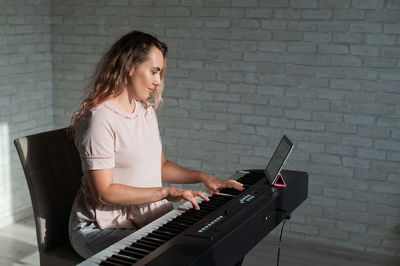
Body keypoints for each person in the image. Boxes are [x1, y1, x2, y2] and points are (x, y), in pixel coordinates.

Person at [68, 30, 244, 259]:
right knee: (173, 258)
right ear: (130, 66)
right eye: (154, 71)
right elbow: (104, 193)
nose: (158, 80)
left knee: (215, 245)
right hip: (102, 227)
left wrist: (204, 176)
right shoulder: (100, 119)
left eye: (159, 73)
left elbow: (160, 166)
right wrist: (166, 192)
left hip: (145, 220)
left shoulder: (145, 111)